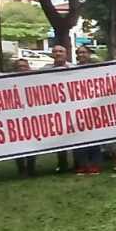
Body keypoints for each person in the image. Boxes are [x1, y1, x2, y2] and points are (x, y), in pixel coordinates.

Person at [44, 44, 75, 173]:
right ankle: (62, 163)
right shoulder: (44, 70)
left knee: (76, 133)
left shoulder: (75, 69)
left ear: (66, 54)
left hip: (72, 106)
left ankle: (78, 162)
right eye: (55, 51)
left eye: (61, 51)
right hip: (54, 108)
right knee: (59, 135)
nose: (58, 54)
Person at [73, 45, 102, 174]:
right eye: (79, 53)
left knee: (94, 135)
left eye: (84, 52)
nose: (82, 55)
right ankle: (82, 164)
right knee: (78, 136)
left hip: (93, 106)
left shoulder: (96, 68)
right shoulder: (72, 70)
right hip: (77, 107)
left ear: (89, 54)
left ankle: (95, 164)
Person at [11, 59, 38, 177]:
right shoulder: (8, 81)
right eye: (19, 67)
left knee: (32, 143)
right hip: (16, 117)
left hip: (32, 116)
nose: (22, 69)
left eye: (24, 66)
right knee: (18, 144)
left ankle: (31, 168)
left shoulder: (34, 80)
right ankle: (21, 168)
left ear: (29, 68)